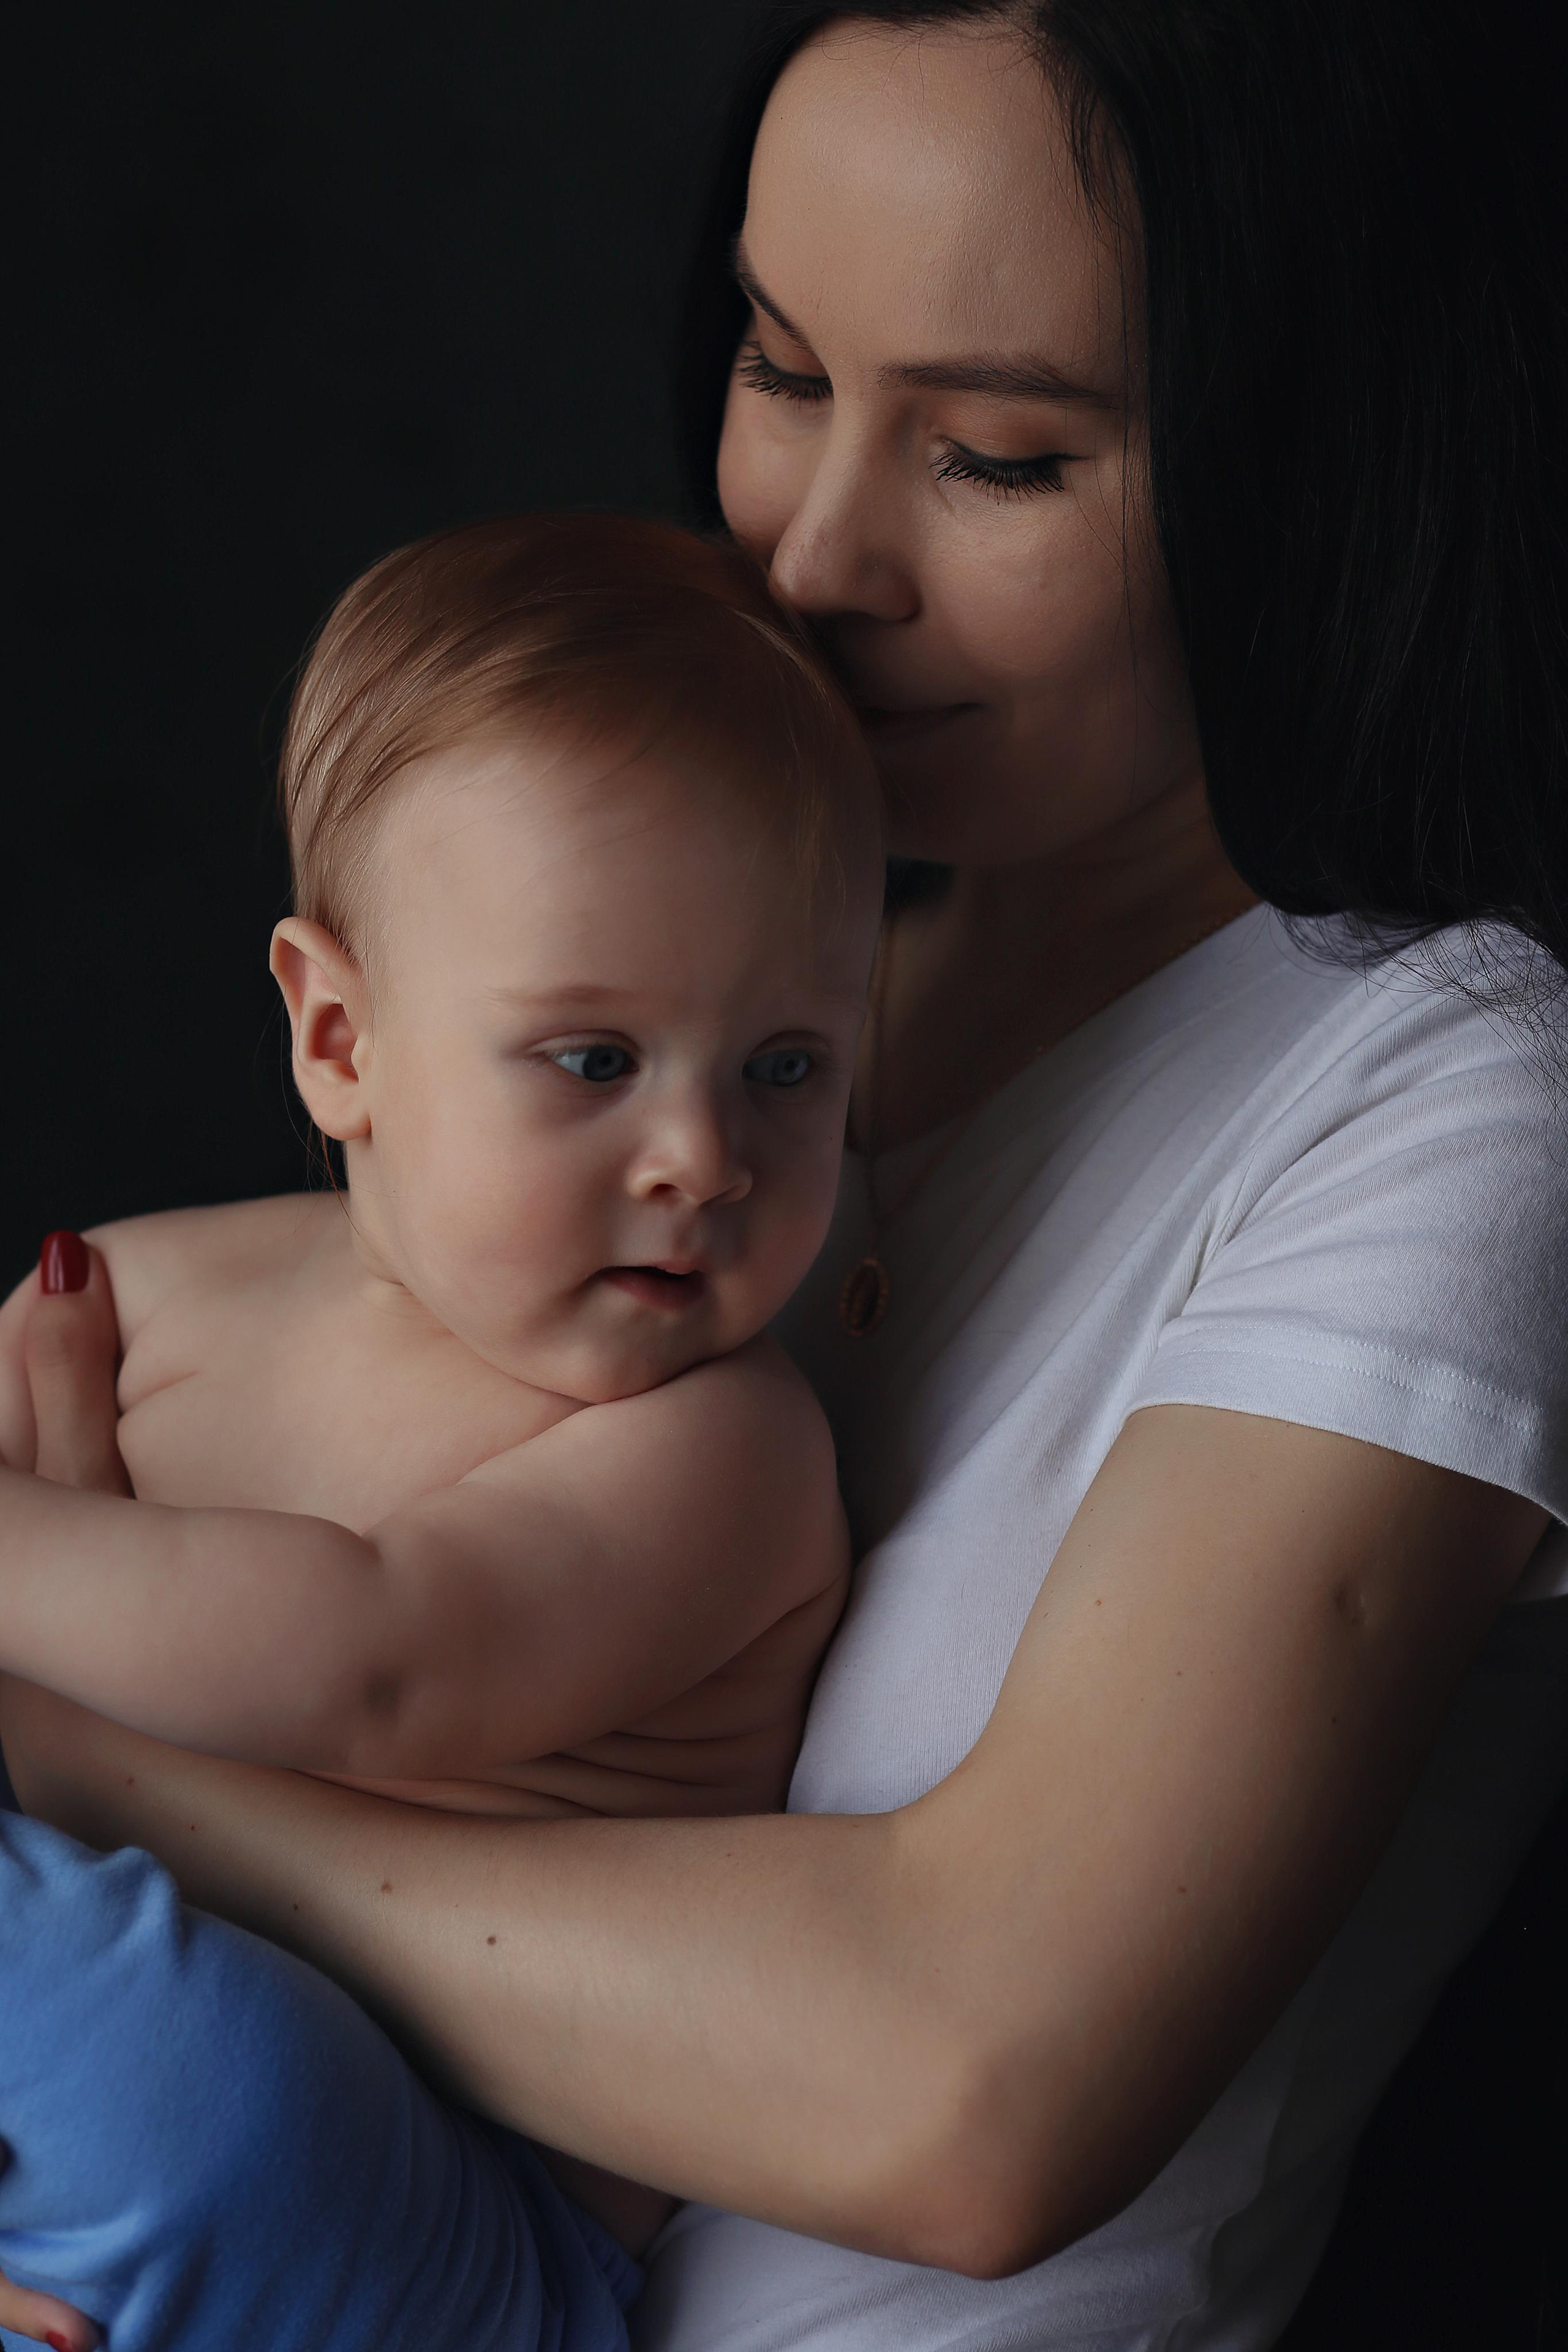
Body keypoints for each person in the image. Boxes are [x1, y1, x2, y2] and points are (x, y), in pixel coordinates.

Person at [5, 2, 1567, 2347]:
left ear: (1322, 456)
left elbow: (967, 2092)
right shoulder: (706, 998)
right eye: (780, 366)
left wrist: (81, 1781)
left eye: (1006, 460)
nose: (818, 559)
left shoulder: (1461, 1099)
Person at [0, 511, 881, 2350]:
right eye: (594, 1060)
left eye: (787, 1068)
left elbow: (378, 1661)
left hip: (438, 2223)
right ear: (340, 1037)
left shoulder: (720, 1451)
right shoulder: (169, 1296)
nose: (705, 1160)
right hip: (106, 2138)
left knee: (204, 2060)